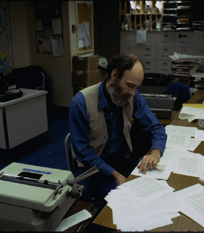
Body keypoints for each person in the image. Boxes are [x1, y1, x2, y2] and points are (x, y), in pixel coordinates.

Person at [69, 53, 167, 204]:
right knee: (115, 202)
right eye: (130, 85)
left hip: (120, 161)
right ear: (114, 75)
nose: (133, 93)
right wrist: (115, 174)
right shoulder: (81, 102)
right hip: (92, 167)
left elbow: (156, 127)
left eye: (136, 87)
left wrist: (155, 153)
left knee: (150, 194)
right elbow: (83, 152)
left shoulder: (131, 95)